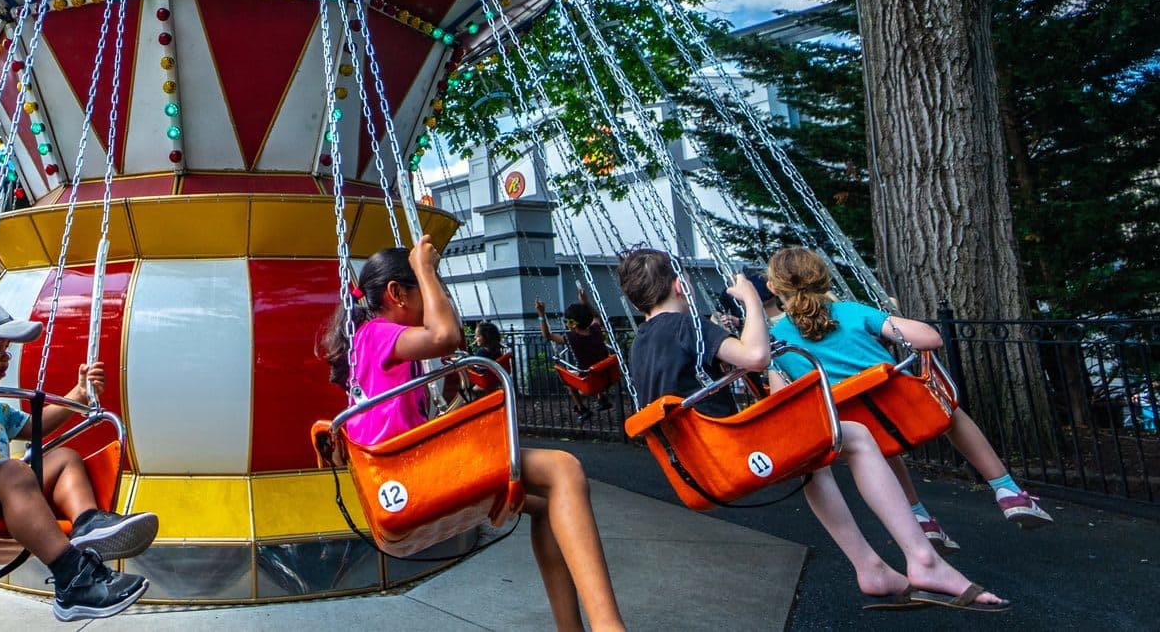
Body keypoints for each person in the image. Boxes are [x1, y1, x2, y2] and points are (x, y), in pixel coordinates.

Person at [616, 248, 1007, 613]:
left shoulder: (642, 343)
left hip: (697, 468)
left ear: (636, 301)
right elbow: (755, 357)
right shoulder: (687, 326)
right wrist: (752, 300)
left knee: (811, 457)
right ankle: (924, 560)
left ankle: (871, 568)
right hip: (731, 456)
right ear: (678, 285)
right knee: (853, 434)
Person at [319, 237, 625, 631]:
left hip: (406, 476)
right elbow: (445, 335)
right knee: (564, 469)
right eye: (426, 291)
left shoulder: (374, 342)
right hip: (409, 480)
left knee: (549, 503)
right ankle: (609, 626)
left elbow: (450, 338)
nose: (434, 299)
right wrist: (426, 269)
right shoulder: (378, 333)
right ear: (396, 293)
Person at [765, 246, 1053, 550]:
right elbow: (931, 338)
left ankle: (919, 516)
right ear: (823, 278)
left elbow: (783, 398)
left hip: (858, 430)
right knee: (950, 412)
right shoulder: (851, 312)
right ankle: (1007, 490)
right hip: (912, 412)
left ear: (773, 288)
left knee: (880, 451)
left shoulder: (777, 342)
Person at [0, 296, 157, 621]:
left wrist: (77, 395)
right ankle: (72, 578)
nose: (5, 357)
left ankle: (88, 523)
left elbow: (33, 426)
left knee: (63, 458)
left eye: (8, 350)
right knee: (13, 472)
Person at [536, 289, 613, 417]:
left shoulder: (571, 338)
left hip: (590, 381)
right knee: (596, 363)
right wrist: (586, 302)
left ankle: (581, 408)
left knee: (567, 379)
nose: (566, 324)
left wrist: (541, 314)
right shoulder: (596, 330)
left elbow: (547, 335)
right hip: (607, 376)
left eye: (567, 321)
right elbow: (596, 317)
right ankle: (601, 398)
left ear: (572, 323)